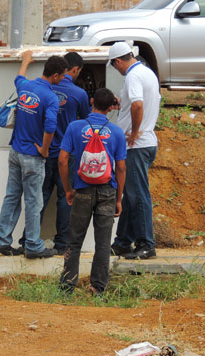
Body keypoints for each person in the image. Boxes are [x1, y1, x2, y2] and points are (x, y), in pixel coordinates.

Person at [0, 50, 68, 259]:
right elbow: (50, 126)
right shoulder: (50, 97)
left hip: (15, 151)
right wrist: (44, 149)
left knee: (12, 197)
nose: (63, 79)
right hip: (32, 157)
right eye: (62, 76)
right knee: (34, 202)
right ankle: (33, 245)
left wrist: (25, 61)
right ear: (55, 76)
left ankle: (1, 240)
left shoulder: (26, 87)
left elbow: (18, 78)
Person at [58, 88, 127, 294]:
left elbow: (62, 160)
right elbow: (121, 167)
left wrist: (69, 189)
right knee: (103, 242)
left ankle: (67, 286)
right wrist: (119, 198)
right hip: (107, 191)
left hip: (82, 189)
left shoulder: (75, 127)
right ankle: (98, 288)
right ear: (110, 108)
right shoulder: (116, 132)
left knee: (74, 239)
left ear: (91, 102)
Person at [107, 42, 160, 260]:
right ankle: (122, 242)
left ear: (118, 61)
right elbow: (137, 103)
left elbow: (138, 105)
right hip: (146, 143)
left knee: (137, 195)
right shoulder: (146, 72)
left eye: (114, 66)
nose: (116, 70)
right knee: (130, 194)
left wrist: (134, 132)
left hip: (136, 145)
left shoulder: (132, 77)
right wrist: (124, 104)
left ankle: (146, 243)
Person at [35, 52, 90, 255]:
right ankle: (62, 244)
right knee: (66, 198)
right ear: (74, 70)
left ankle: (29, 240)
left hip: (43, 152)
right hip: (67, 155)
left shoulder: (44, 89)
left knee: (39, 196)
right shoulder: (79, 94)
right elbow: (86, 121)